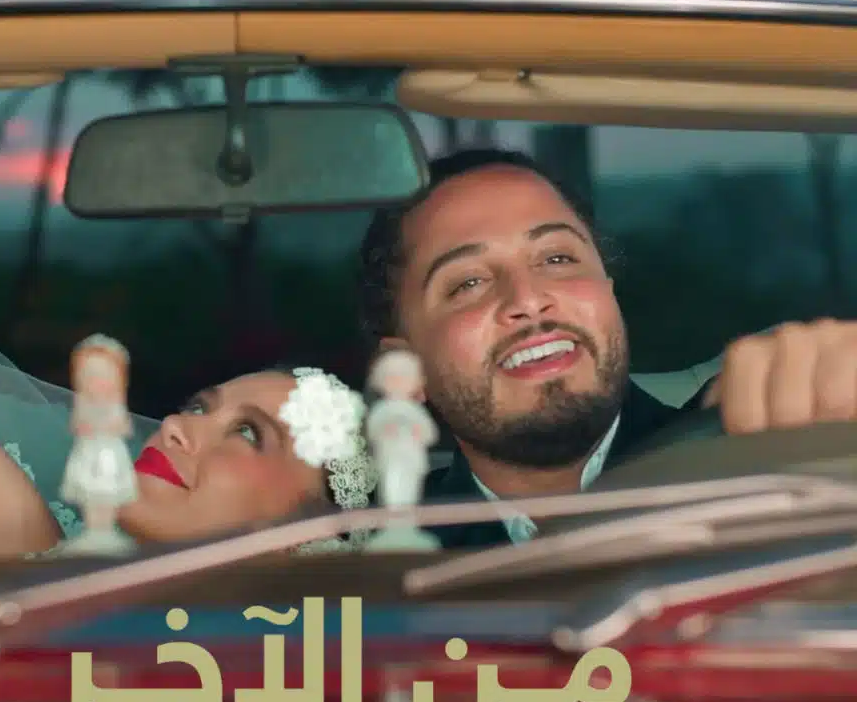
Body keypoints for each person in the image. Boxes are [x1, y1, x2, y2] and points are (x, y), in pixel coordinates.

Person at [0, 101, 375, 558]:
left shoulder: (341, 654)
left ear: (311, 537)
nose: (173, 427)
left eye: (248, 433)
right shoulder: (17, 555)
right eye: (197, 408)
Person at [359, 147, 857, 548]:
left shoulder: (760, 455)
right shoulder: (370, 556)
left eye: (557, 258)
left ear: (608, 292)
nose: (529, 299)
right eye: (468, 282)